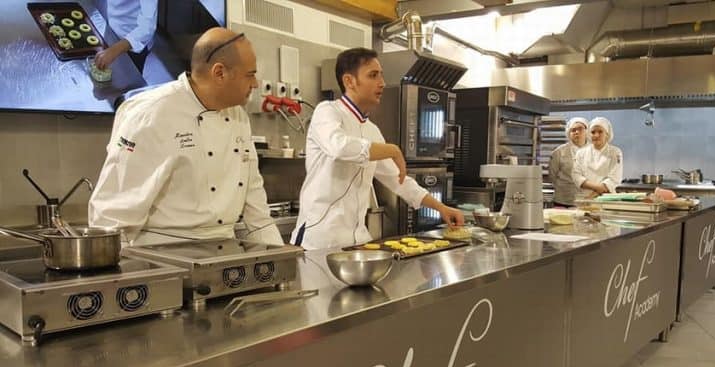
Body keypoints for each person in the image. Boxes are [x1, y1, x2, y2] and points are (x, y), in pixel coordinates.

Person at [89, 28, 282, 246]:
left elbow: (256, 206)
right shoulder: (151, 114)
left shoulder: (238, 116)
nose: (255, 83)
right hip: (162, 256)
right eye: (250, 74)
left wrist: (279, 255)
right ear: (219, 73)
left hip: (224, 253)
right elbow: (114, 215)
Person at [290, 47, 464, 250]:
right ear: (349, 81)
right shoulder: (327, 111)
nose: (382, 83)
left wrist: (441, 208)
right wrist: (393, 150)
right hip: (319, 241)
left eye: (381, 75)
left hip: (356, 242)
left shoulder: (371, 130)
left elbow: (398, 180)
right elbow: (339, 147)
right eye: (373, 75)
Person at [94, 0, 158, 73]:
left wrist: (113, 50)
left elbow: (147, 27)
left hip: (133, 44)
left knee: (129, 77)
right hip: (111, 32)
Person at [572, 117, 623, 200]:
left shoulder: (615, 152)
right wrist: (597, 188)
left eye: (600, 132)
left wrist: (593, 195)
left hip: (606, 198)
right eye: (593, 132)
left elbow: (614, 179)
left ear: (607, 134)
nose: (596, 135)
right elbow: (576, 176)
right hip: (584, 197)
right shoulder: (581, 153)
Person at [549, 117, 588, 206]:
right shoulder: (559, 152)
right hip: (563, 200)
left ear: (587, 131)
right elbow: (552, 175)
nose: (576, 132)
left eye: (580, 129)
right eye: (573, 130)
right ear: (568, 133)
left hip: (588, 199)